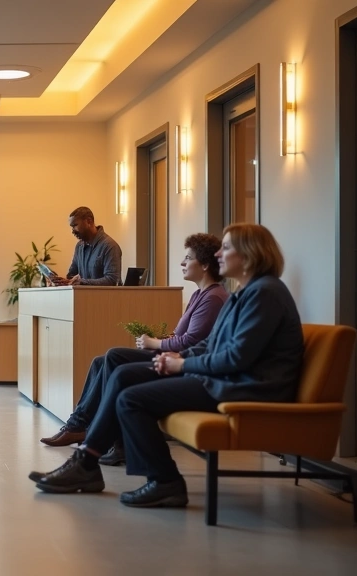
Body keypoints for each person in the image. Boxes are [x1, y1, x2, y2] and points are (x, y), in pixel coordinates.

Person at [29, 224, 304, 508]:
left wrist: (182, 365)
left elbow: (236, 357)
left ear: (249, 254)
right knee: (123, 373)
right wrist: (177, 359)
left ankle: (163, 481)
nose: (219, 253)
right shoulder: (245, 293)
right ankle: (87, 461)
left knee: (132, 399)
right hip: (229, 380)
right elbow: (212, 346)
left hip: (243, 388)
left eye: (228, 247)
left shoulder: (264, 294)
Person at [40, 233, 230, 466]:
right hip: (176, 355)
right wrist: (164, 339)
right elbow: (187, 337)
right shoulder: (200, 295)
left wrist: (155, 343)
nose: (182, 263)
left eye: (187, 258)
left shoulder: (213, 298)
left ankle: (98, 436)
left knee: (115, 356)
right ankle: (79, 425)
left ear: (204, 265)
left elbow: (190, 342)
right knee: (102, 361)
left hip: (181, 361)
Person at [50, 206, 122, 286]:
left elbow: (113, 280)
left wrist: (82, 282)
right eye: (72, 227)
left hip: (105, 298)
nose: (73, 231)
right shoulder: (79, 246)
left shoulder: (109, 246)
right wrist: (62, 282)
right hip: (83, 297)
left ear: (89, 221)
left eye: (75, 225)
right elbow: (71, 275)